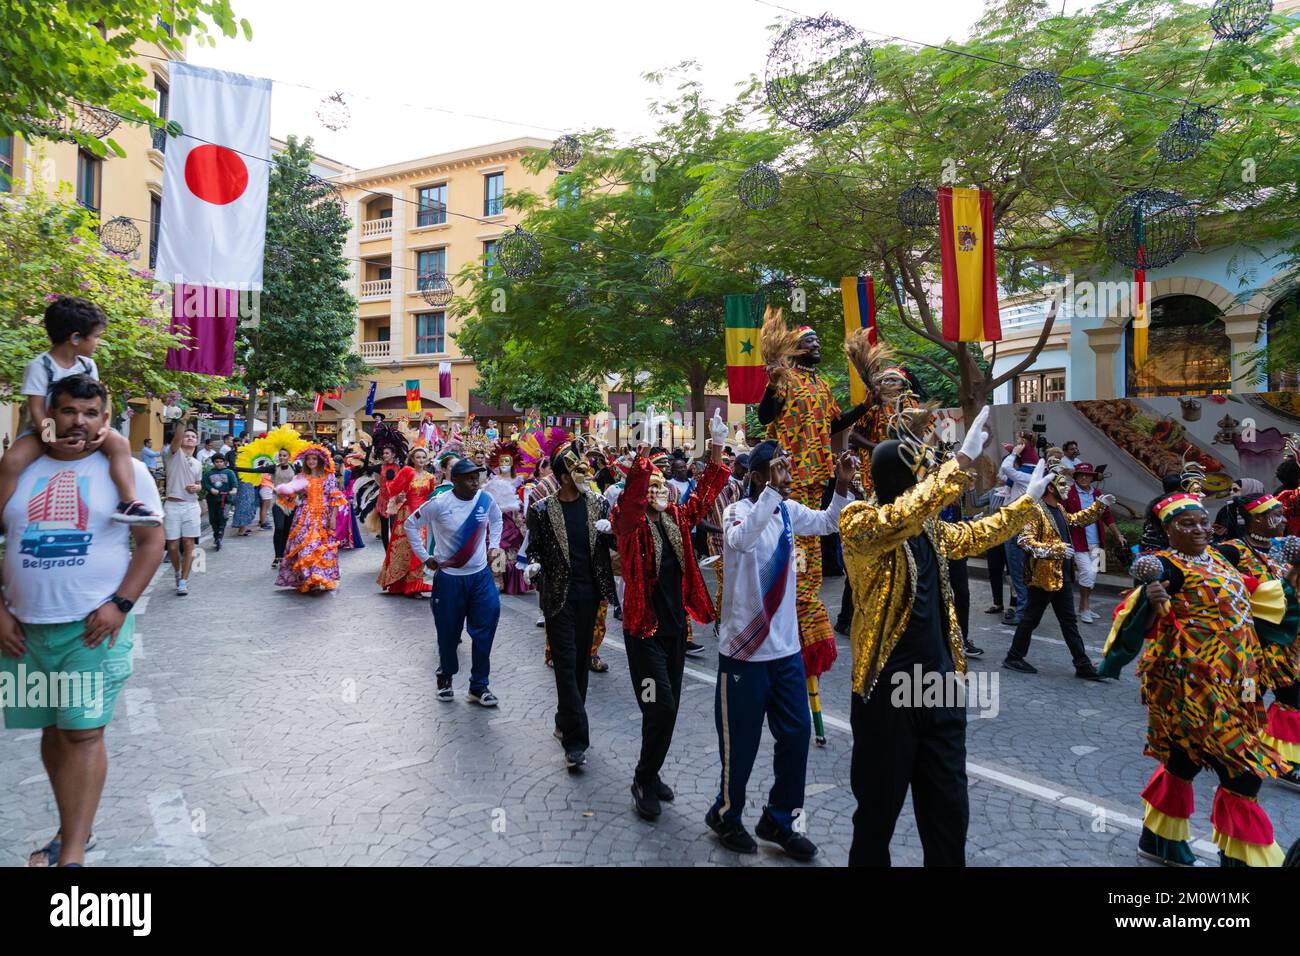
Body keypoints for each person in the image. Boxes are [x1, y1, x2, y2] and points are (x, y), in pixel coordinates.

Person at [839, 407, 1049, 866]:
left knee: (948, 817)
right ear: (901, 481)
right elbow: (907, 514)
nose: (929, 483)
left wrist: (1026, 502)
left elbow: (975, 534)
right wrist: (962, 462)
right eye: (922, 475)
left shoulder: (930, 527)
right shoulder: (861, 522)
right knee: (876, 817)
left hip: (940, 688)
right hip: (887, 692)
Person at [0, 374, 165, 867]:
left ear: (106, 420)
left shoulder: (129, 470)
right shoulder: (17, 471)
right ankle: (73, 828)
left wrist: (121, 604)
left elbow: (151, 542)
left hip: (93, 628)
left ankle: (70, 856)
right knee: (53, 729)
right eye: (70, 411)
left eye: (91, 413)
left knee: (82, 732)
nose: (80, 422)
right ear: (47, 416)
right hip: (23, 630)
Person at [1100, 493, 1290, 867]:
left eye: (1203, 521)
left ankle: (1159, 842)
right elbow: (1135, 613)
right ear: (1166, 530)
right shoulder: (1167, 567)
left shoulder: (1218, 556)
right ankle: (1246, 861)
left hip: (1240, 681)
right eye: (1187, 524)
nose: (1199, 529)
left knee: (1183, 759)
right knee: (1244, 771)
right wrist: (1148, 597)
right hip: (1192, 684)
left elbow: (1255, 592)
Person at [707, 441, 855, 859]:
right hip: (744, 654)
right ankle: (726, 814)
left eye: (786, 468)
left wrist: (841, 486)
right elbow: (741, 541)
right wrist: (771, 492)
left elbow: (829, 523)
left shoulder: (789, 512)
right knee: (742, 745)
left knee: (796, 734)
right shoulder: (738, 512)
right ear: (757, 477)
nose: (787, 475)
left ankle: (779, 818)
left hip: (786, 653)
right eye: (778, 469)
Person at [614, 411, 730, 821]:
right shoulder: (628, 524)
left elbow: (703, 495)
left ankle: (651, 772)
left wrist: (716, 446)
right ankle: (643, 777)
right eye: (653, 483)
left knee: (669, 707)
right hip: (643, 632)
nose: (661, 488)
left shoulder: (677, 519)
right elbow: (629, 499)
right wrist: (641, 455)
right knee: (658, 705)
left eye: (665, 483)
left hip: (674, 631)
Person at [756, 323, 869, 726]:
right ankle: (785, 640)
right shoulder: (783, 378)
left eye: (820, 340)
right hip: (788, 485)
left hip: (817, 483)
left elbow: (835, 425)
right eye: (810, 341)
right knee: (794, 568)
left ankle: (799, 641)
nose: (818, 345)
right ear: (795, 349)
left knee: (809, 565)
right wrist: (770, 383)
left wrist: (868, 405)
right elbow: (764, 414)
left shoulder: (822, 386)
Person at [0, 296, 160, 530]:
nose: (98, 342)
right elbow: (36, 408)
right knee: (12, 461)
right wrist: (51, 439)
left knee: (119, 445)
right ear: (75, 338)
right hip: (45, 430)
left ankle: (128, 501)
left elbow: (97, 402)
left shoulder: (88, 366)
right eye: (95, 337)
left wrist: (103, 428)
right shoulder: (40, 366)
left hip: (85, 429)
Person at [524, 439, 617, 770]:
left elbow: (613, 545)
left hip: (590, 594)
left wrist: (612, 532)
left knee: (579, 663)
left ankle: (564, 719)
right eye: (576, 470)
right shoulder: (541, 510)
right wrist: (533, 565)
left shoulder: (599, 504)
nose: (584, 474)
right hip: (557, 595)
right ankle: (576, 742)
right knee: (564, 663)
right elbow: (534, 548)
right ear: (562, 476)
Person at [1214, 492, 1300, 792]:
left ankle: (1284, 760)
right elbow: (1222, 589)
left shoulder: (1282, 548)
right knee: (1250, 701)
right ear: (1258, 519)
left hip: (1282, 646)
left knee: (1291, 696)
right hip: (1248, 646)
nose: (1283, 518)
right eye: (1276, 513)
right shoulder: (1231, 551)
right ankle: (1241, 754)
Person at [406, 458, 504, 707]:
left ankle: (479, 686)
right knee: (448, 633)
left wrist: (494, 546)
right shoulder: (439, 504)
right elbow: (411, 524)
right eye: (470, 478)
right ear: (455, 480)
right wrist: (425, 557)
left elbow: (496, 519)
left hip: (480, 577)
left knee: (485, 629)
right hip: (449, 580)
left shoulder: (485, 500)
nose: (475, 482)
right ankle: (445, 677)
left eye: (477, 477)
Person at [1002, 469, 1113, 679]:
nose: (1068, 489)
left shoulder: (1060, 509)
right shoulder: (1035, 511)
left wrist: (1101, 505)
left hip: (1062, 576)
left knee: (1068, 622)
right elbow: (1025, 542)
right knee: (1030, 620)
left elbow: (1076, 520)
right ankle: (1013, 657)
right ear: (1050, 488)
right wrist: (1056, 550)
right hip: (1043, 578)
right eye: (1063, 485)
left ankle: (1082, 665)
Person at [272, 445, 348, 593]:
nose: (311, 461)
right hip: (304, 517)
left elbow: (334, 498)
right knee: (305, 547)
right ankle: (308, 577)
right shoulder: (301, 477)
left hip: (323, 517)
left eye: (314, 459)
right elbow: (292, 493)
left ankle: (318, 577)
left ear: (320, 460)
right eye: (308, 459)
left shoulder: (329, 476)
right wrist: (281, 491)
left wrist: (333, 517)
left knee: (319, 547)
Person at [1062, 463, 1125, 623]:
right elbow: (1062, 516)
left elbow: (1107, 517)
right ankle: (1085, 607)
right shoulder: (1069, 494)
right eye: (1080, 475)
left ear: (1092, 477)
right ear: (1075, 477)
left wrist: (1118, 535)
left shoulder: (1097, 494)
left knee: (1093, 576)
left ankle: (1084, 607)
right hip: (1078, 542)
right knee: (1087, 573)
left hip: (1097, 542)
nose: (1084, 478)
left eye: (1087, 475)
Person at [377, 448, 436, 596]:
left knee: (420, 549)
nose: (421, 460)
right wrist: (399, 497)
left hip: (423, 517)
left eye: (423, 457)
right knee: (405, 549)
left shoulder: (430, 477)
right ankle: (401, 583)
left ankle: (416, 585)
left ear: (427, 460)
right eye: (418, 457)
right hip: (406, 515)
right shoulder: (406, 474)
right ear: (412, 459)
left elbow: (432, 498)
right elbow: (395, 494)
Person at [995, 434, 1040, 625]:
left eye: (1021, 444)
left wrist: (1014, 453)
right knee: (1022, 572)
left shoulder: (1026, 476)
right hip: (1021, 526)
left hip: (1017, 528)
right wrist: (1013, 454)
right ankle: (1027, 611)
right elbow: (1002, 475)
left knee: (1018, 573)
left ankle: (1023, 614)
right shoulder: (1028, 474)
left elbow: (1006, 469)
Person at [162, 408, 203, 597]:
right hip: (172, 505)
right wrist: (183, 422)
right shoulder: (173, 454)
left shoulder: (198, 463)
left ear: (197, 441)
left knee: (188, 544)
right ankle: (177, 572)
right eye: (186, 436)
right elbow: (177, 439)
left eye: (192, 436)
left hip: (191, 506)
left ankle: (184, 581)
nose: (189, 438)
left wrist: (197, 488)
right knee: (172, 545)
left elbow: (198, 483)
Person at [201, 453, 238, 552]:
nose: (219, 464)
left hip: (226, 500)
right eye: (216, 462)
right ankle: (216, 534)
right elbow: (204, 483)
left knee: (224, 517)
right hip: (213, 500)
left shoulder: (229, 472)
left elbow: (234, 483)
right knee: (213, 519)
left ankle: (220, 534)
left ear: (224, 462)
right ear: (213, 463)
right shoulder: (209, 473)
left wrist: (234, 490)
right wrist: (211, 489)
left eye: (221, 461)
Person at [1212, 477, 1264, 542]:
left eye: (1235, 490)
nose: (1231, 493)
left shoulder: (1266, 510)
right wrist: (1217, 532)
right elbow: (1217, 532)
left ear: (1249, 489)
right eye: (1230, 490)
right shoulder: (1226, 509)